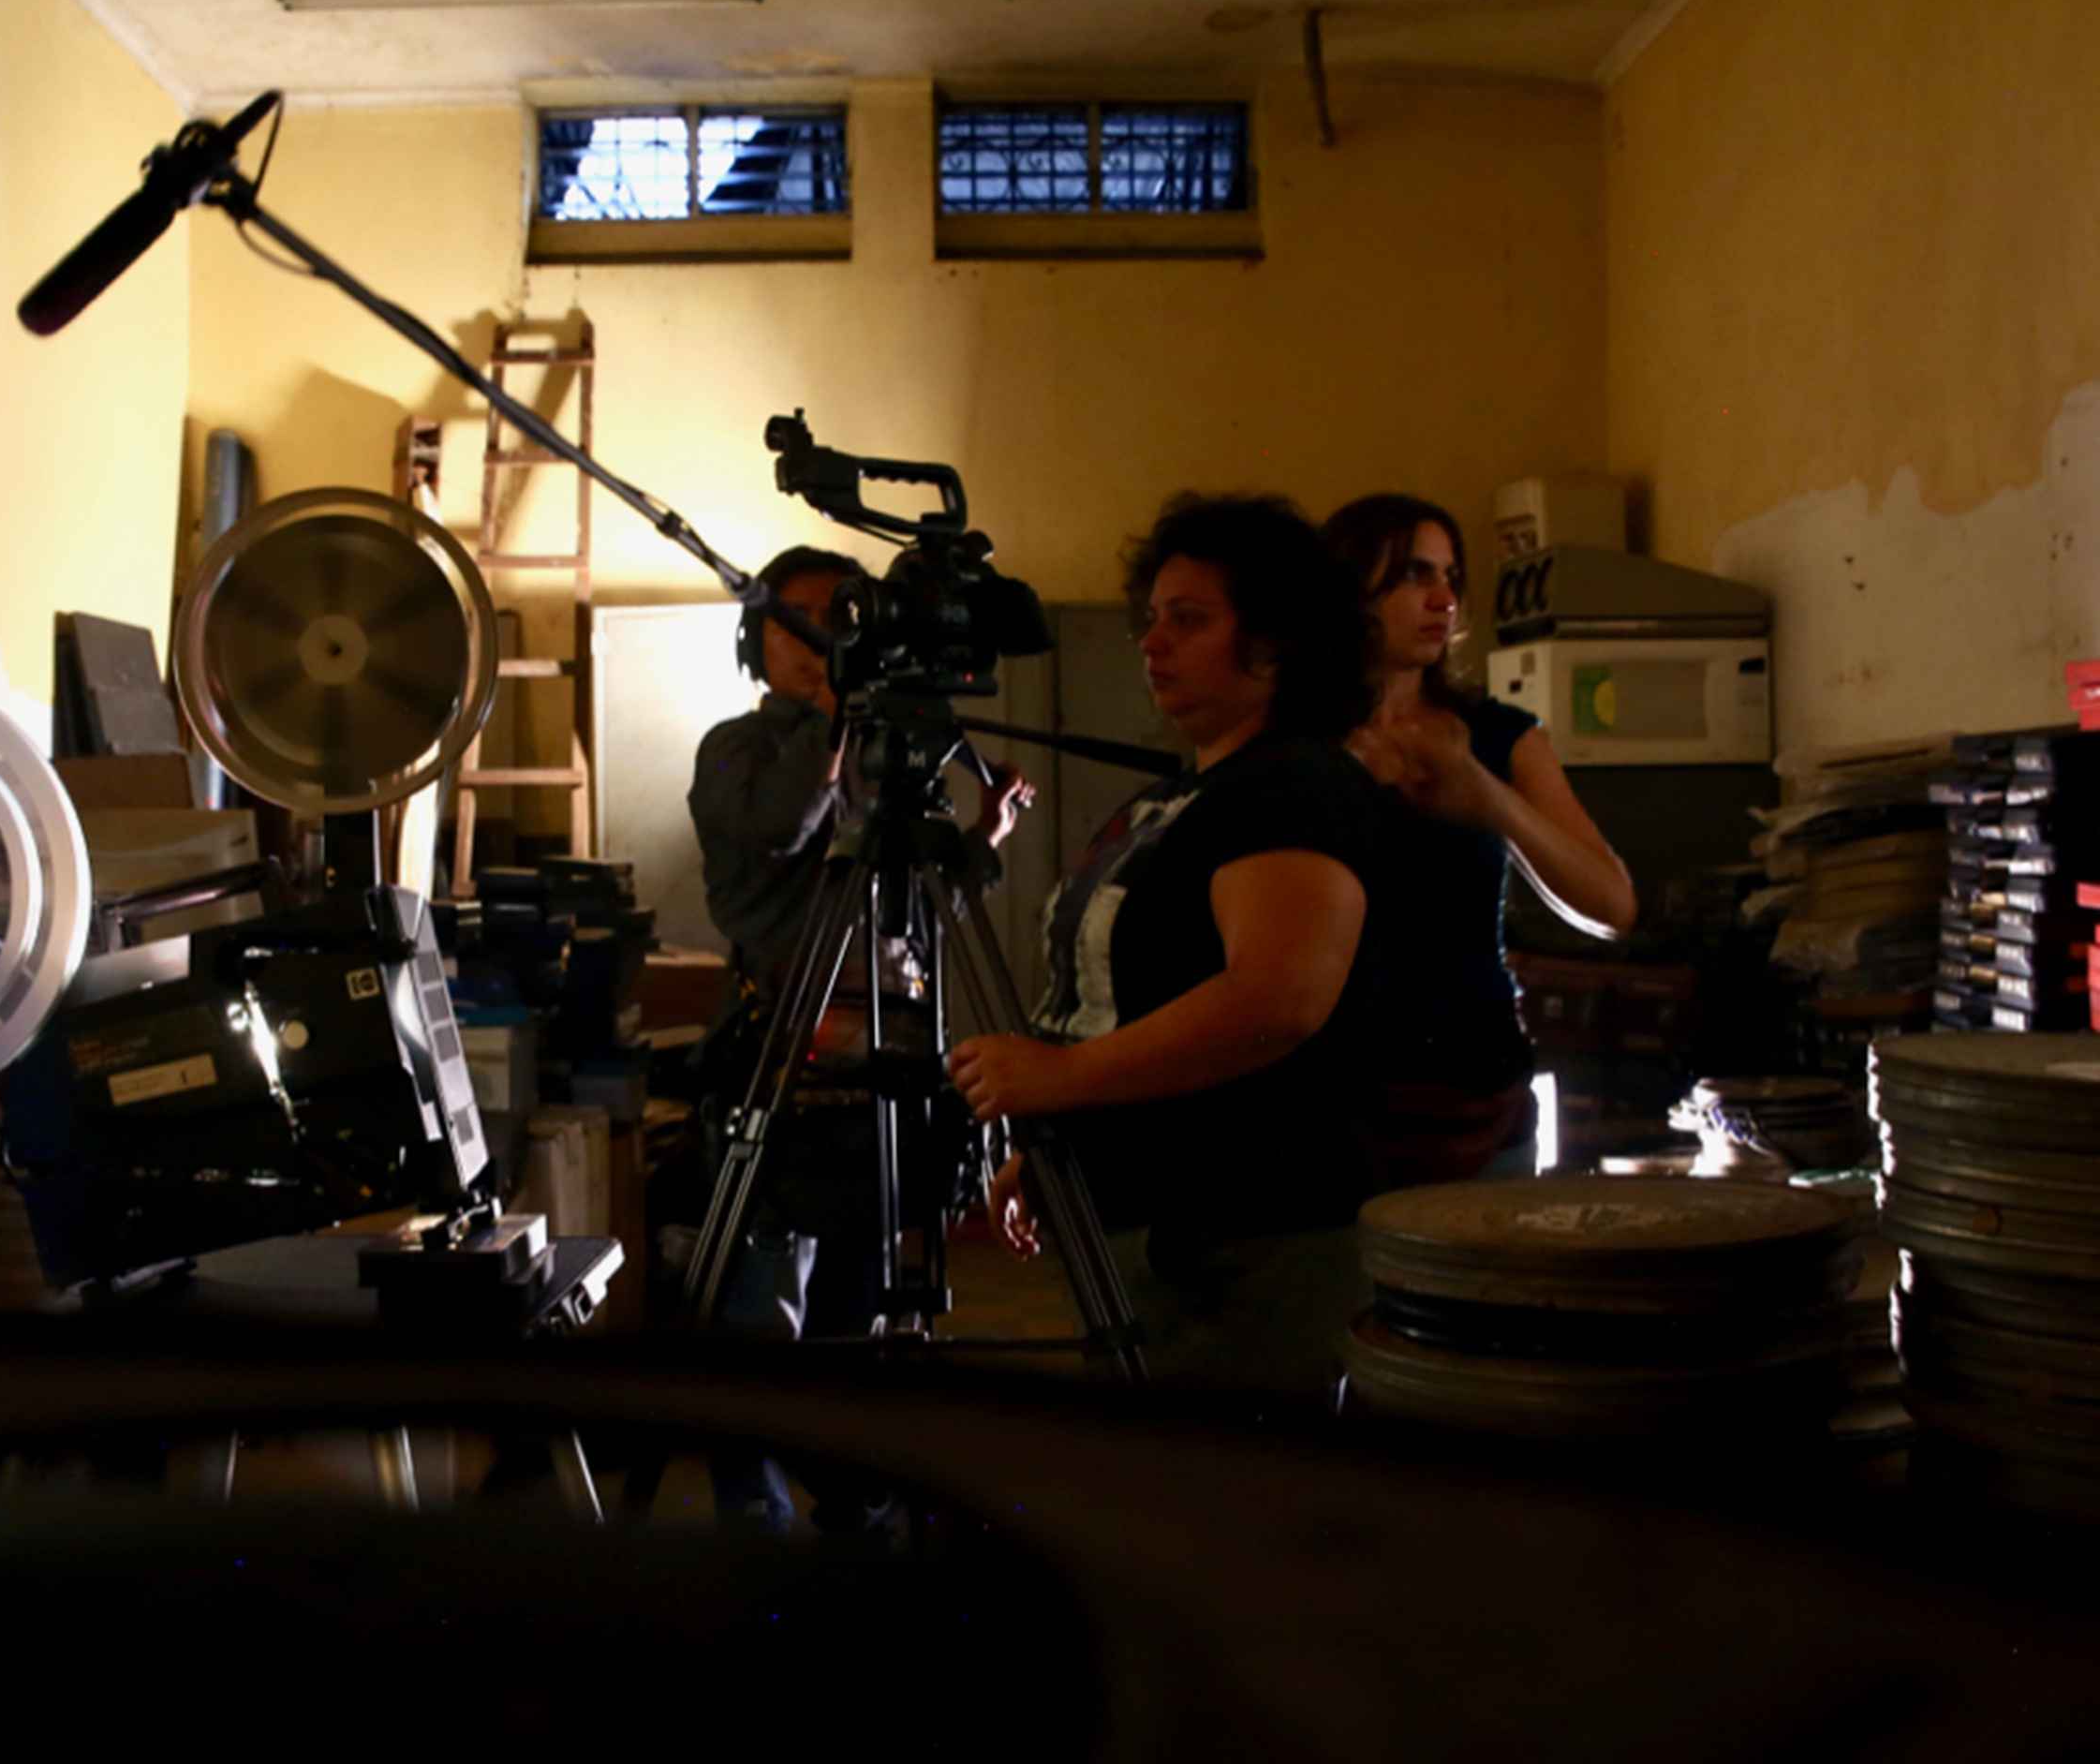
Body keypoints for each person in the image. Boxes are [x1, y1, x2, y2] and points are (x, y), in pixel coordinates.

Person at [945, 495, 1380, 1406]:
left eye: (1189, 619)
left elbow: (1277, 997)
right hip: (1156, 1231)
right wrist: (1068, 1141)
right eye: (1152, 619)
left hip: (1241, 1238)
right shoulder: (1191, 793)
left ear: (1275, 639)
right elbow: (1127, 997)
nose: (1152, 642)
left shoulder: (1294, 784)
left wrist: (1062, 1082)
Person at [684, 542, 1028, 1528]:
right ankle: (755, 1527)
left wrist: (984, 838)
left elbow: (911, 904)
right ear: (757, 641)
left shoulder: (875, 754)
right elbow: (785, 829)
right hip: (781, 1054)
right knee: (761, 1314)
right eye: (795, 622)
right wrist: (838, 716)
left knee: (864, 1305)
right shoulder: (737, 749)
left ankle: (864, 1513)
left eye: (839, 617)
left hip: (882, 1048)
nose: (818, 638)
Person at [1322, 494, 1636, 1187]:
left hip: (1476, 1100)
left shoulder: (1499, 736)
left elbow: (1613, 905)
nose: (1443, 599)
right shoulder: (1295, 739)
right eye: (1413, 575)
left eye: (1450, 577)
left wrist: (1486, 797)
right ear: (1350, 587)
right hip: (1326, 1106)